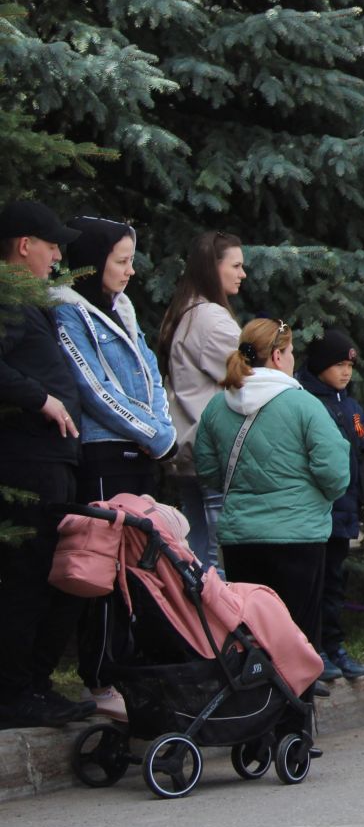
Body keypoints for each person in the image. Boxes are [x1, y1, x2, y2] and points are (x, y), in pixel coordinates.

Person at [51, 216, 179, 718]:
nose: (129, 272)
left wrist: (161, 432)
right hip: (106, 453)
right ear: (93, 261)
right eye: (120, 261)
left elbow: (149, 372)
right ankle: (101, 675)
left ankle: (133, 667)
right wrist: (151, 433)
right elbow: (92, 387)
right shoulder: (68, 313)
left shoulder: (122, 308)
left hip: (141, 453)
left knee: (140, 567)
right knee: (104, 570)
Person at [194, 319, 351, 664]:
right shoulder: (304, 405)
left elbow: (207, 471)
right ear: (278, 356)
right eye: (291, 351)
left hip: (240, 541)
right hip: (299, 538)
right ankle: (293, 715)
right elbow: (336, 473)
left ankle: (258, 710)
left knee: (252, 636)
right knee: (297, 638)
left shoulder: (217, 407)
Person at [0, 200, 93, 730]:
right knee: (27, 579)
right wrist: (42, 399)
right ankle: (14, 693)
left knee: (45, 578)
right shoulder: (8, 301)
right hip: (28, 459)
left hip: (50, 458)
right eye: (52, 244)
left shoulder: (26, 301)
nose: (59, 254)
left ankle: (31, 687)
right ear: (23, 245)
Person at [297, 328, 364, 682]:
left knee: (334, 583)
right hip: (314, 512)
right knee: (313, 585)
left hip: (345, 512)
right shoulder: (305, 401)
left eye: (349, 366)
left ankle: (334, 646)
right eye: (337, 365)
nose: (345, 372)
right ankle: (312, 648)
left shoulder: (350, 407)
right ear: (320, 365)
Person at [157, 232, 247, 567]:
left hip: (189, 448)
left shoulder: (186, 310)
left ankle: (191, 617)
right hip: (212, 451)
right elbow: (247, 369)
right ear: (213, 268)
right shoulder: (210, 318)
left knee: (195, 549)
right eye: (236, 266)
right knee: (216, 555)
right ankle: (211, 620)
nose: (243, 274)